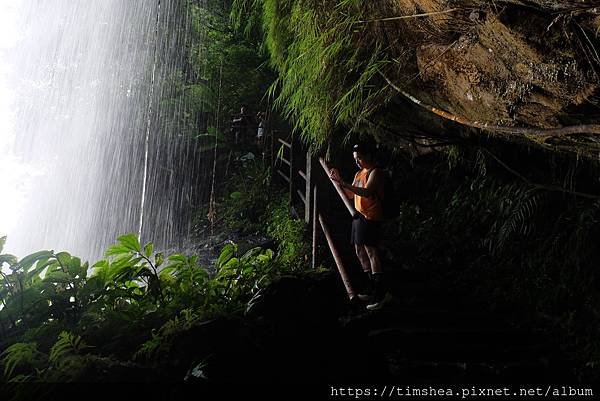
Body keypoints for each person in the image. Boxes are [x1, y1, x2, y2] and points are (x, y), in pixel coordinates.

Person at [329, 143, 391, 310]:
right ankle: (371, 287)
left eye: (360, 158)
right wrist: (338, 181)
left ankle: (380, 292)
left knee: (371, 251)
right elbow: (351, 194)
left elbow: (367, 192)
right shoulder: (358, 173)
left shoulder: (375, 172)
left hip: (372, 217)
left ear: (369, 156)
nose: (357, 162)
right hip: (359, 217)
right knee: (359, 250)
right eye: (355, 159)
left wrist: (344, 182)